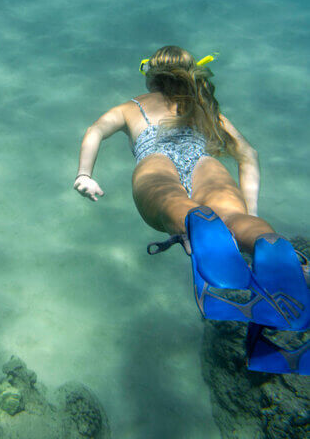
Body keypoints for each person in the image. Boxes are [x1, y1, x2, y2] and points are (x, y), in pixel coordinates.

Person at [73, 46, 309, 374]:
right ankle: (267, 241)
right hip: (204, 162)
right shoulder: (203, 107)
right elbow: (248, 154)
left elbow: (95, 130)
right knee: (236, 219)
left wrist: (85, 174)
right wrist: (251, 213)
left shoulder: (132, 107)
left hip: (155, 161)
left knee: (176, 206)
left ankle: (193, 223)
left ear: (150, 74)